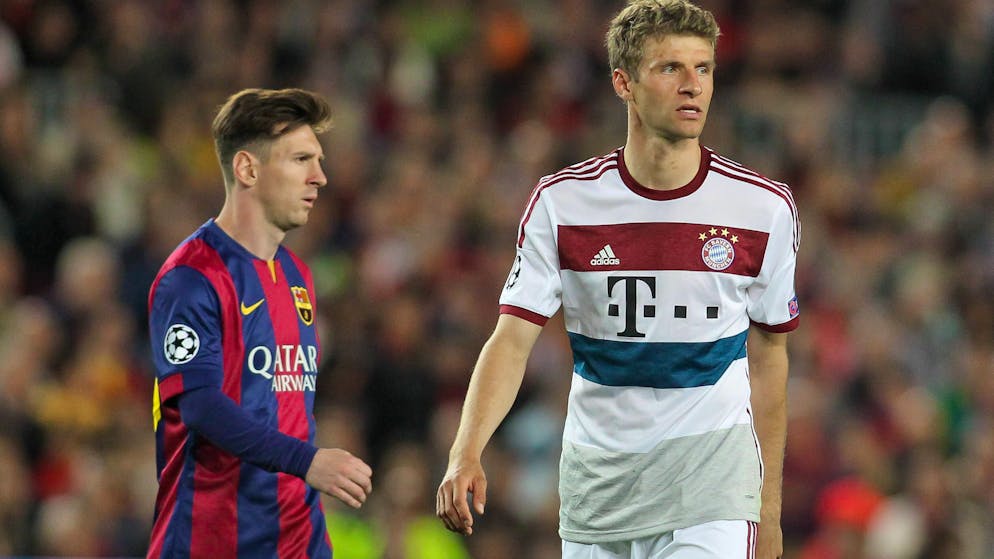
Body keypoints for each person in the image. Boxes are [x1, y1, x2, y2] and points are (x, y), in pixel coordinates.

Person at [436, 1, 799, 558]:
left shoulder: (762, 208)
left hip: (709, 492)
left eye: (703, 69)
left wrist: (766, 509)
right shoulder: (562, 204)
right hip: (598, 495)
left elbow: (771, 356)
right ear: (623, 83)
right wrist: (466, 450)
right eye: (670, 68)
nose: (692, 86)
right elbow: (511, 340)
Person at [147, 88, 372, 558]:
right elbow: (202, 408)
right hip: (209, 541)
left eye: (319, 160)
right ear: (247, 169)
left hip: (299, 539)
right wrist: (307, 461)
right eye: (300, 160)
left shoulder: (298, 276)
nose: (320, 177)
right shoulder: (191, 278)